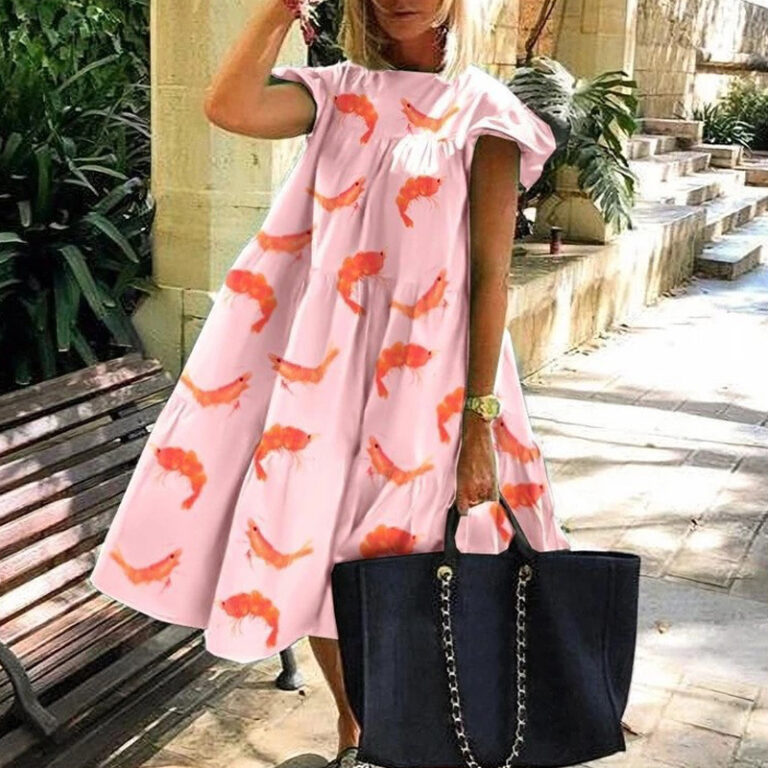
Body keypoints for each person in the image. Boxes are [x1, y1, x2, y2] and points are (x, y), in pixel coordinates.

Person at [88, 0, 572, 765]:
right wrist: (276, 12)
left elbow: (490, 279)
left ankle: (427, 729)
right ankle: (357, 729)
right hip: (322, 376)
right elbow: (229, 106)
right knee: (317, 554)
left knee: (414, 555)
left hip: (431, 384)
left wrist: (479, 423)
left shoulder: (484, 111)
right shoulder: (337, 92)